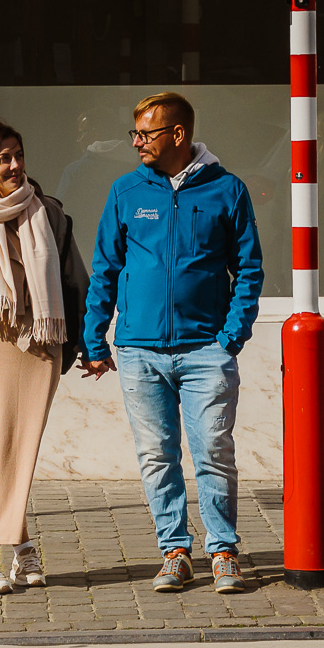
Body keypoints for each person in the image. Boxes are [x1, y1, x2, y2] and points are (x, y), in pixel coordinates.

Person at [81, 92, 263, 594]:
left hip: (206, 349)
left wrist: (230, 337)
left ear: (177, 135)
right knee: (157, 456)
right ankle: (175, 552)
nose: (137, 141)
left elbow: (248, 270)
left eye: (146, 133)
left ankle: (223, 551)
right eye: (135, 132)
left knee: (213, 451)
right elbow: (105, 269)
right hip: (139, 350)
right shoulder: (126, 191)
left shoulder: (227, 190)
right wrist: (94, 338)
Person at [0, 121, 89, 595]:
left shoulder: (48, 211)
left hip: (42, 345)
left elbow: (75, 283)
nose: (14, 165)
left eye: (18, 155)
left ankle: (19, 553)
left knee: (17, 451)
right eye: (3, 158)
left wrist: (89, 343)